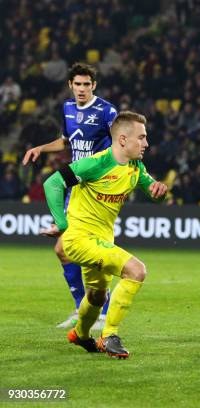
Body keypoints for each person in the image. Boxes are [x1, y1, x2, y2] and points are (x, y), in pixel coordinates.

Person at [41, 111, 167, 358]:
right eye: (141, 138)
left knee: (98, 296)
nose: (146, 143)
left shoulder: (135, 167)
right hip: (79, 239)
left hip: (102, 240)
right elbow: (52, 183)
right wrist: (61, 223)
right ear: (122, 139)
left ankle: (80, 334)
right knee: (136, 270)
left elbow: (152, 189)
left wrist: (158, 192)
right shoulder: (95, 163)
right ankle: (110, 335)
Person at [23, 62, 117, 330]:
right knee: (63, 252)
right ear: (70, 86)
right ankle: (83, 309)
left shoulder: (107, 111)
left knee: (90, 250)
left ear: (94, 86)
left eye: (87, 84)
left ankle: (102, 312)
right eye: (78, 84)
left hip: (98, 188)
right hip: (74, 186)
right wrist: (40, 148)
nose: (82, 89)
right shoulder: (68, 109)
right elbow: (66, 141)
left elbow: (123, 141)